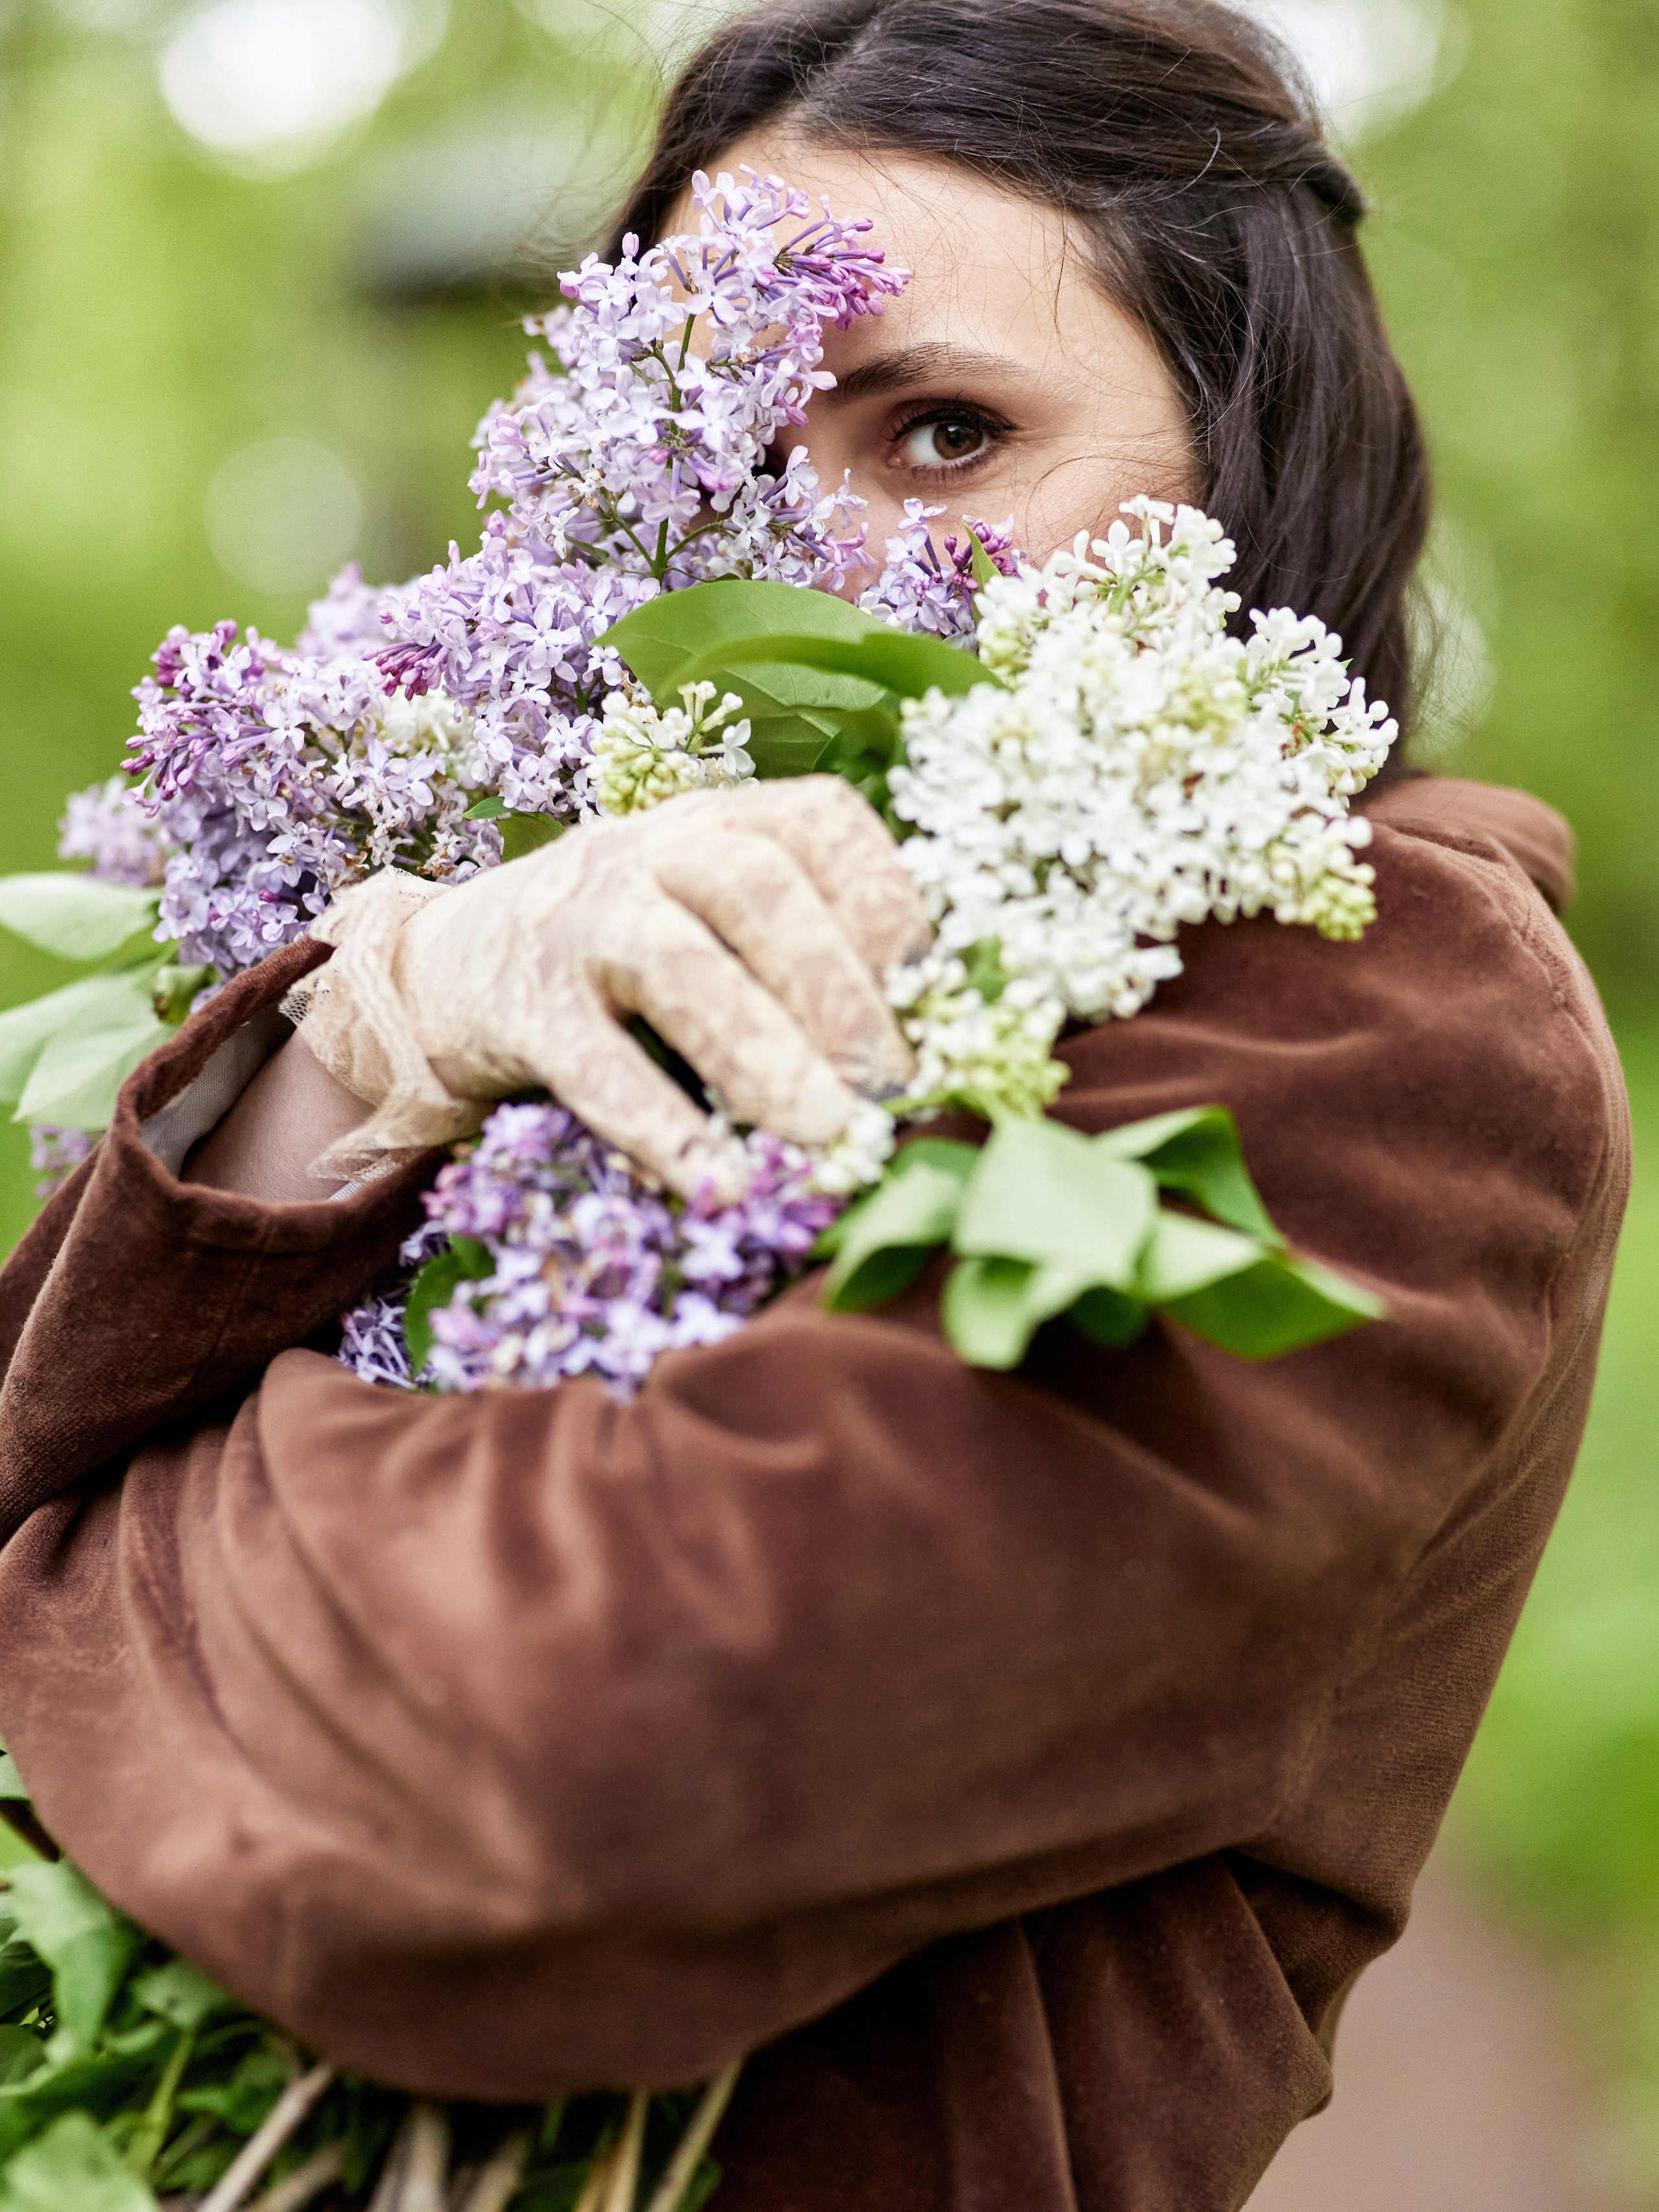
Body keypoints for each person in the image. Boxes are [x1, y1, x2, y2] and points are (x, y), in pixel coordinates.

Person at [0, 2, 1629, 2206]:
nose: (793, 577)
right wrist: (365, 1045)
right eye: (725, 460)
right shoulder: (563, 898)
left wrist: (108, 1537)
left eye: (946, 432)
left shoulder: (1397, 1000)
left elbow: (570, 1767)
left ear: (1250, 454)